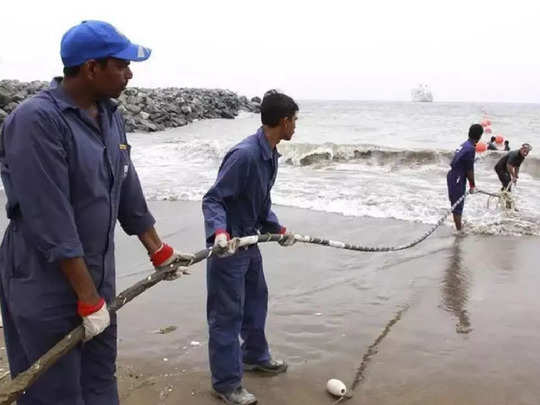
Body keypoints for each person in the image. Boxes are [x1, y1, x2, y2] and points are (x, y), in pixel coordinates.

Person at [0, 20, 191, 404]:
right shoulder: (37, 121)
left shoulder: (110, 115)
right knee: (53, 389)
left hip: (97, 273)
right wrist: (86, 298)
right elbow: (50, 218)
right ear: (91, 68)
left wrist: (157, 248)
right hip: (45, 279)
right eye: (121, 65)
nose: (129, 73)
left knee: (100, 376)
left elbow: (126, 185)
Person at [202, 91, 298, 405]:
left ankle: (255, 356)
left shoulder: (270, 155)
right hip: (229, 248)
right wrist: (219, 234)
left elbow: (259, 204)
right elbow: (214, 199)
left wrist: (278, 229)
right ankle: (226, 384)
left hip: (251, 243)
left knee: (257, 302)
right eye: (294, 120)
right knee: (226, 317)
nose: (295, 125)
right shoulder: (244, 155)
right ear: (283, 121)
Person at [447, 124, 483, 230]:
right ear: (480, 136)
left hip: (452, 175)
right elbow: (469, 170)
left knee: (455, 204)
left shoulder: (465, 144)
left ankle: (458, 225)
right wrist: (472, 186)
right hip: (457, 178)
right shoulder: (471, 148)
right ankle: (459, 231)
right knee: (457, 207)